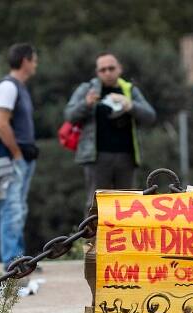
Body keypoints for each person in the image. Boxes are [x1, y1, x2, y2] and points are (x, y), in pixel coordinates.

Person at [64, 53, 156, 208]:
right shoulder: (88, 90)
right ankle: (93, 233)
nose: (107, 73)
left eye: (111, 68)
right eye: (103, 70)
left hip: (127, 157)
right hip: (96, 158)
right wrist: (86, 104)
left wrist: (130, 105)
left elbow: (150, 116)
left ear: (119, 69)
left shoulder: (129, 90)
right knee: (96, 205)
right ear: (97, 72)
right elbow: (69, 115)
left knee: (128, 205)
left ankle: (125, 232)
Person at [0, 43, 38, 271]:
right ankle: (12, 261)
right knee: (11, 208)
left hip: (23, 157)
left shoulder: (20, 87)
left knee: (19, 209)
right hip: (11, 158)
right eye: (34, 59)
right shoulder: (8, 87)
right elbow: (1, 123)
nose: (36, 64)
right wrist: (16, 153)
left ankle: (19, 257)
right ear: (25, 60)